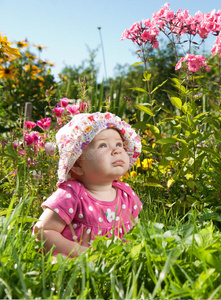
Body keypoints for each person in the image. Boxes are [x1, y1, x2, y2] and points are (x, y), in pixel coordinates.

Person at [33, 112, 143, 258]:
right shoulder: (71, 194)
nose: (117, 150)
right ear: (77, 164)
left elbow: (137, 233)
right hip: (78, 265)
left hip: (116, 267)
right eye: (103, 145)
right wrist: (83, 254)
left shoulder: (126, 194)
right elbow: (42, 232)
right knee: (60, 262)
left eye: (119, 144)